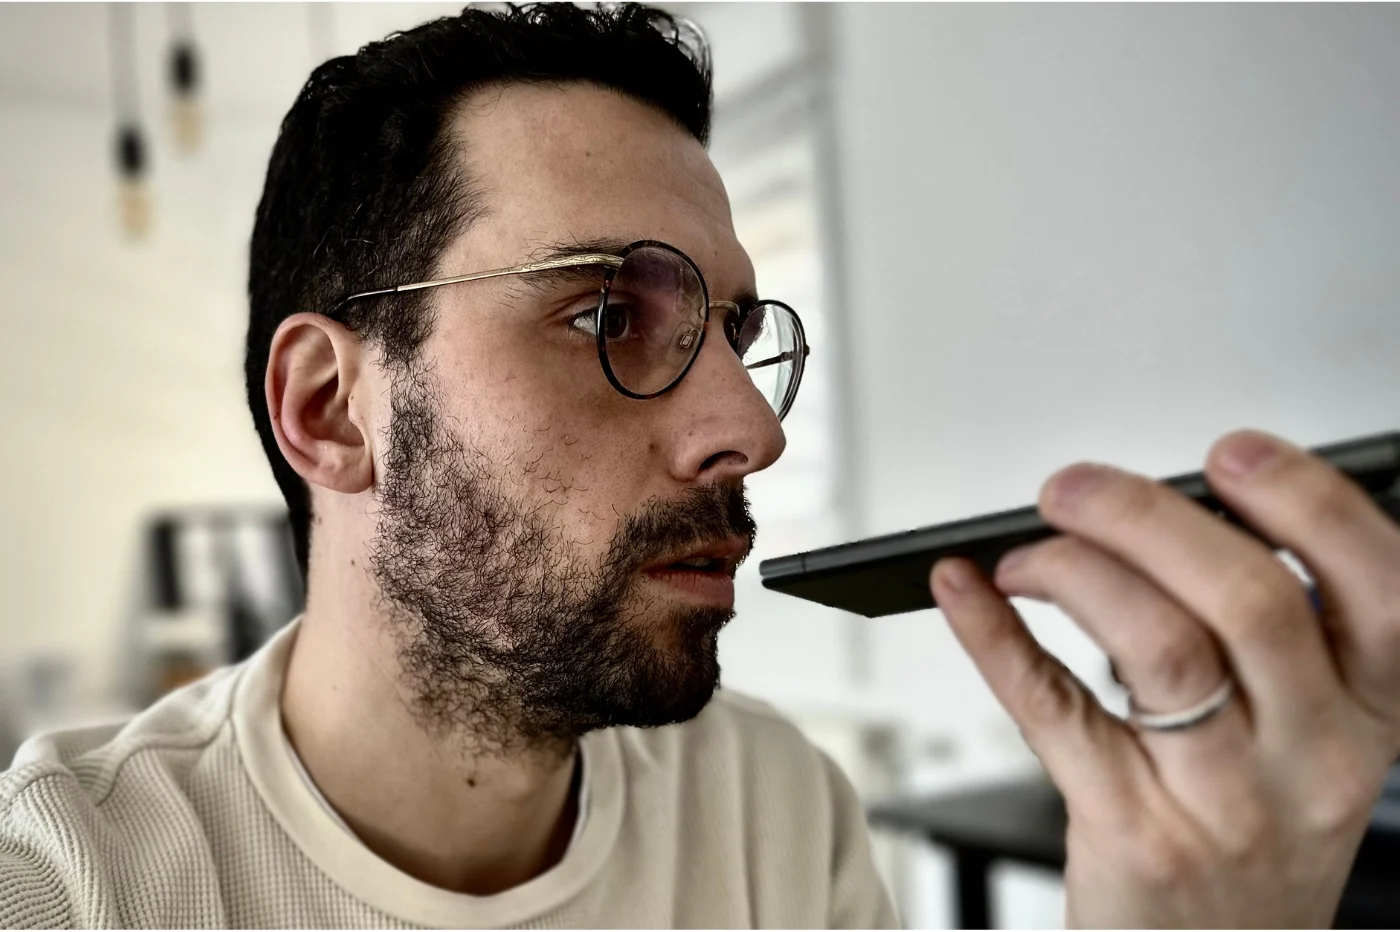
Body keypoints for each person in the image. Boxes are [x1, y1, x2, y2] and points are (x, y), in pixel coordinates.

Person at [3, 4, 1399, 929]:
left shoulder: (773, 811)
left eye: (734, 330)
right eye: (607, 314)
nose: (754, 432)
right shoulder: (71, 887)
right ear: (331, 411)